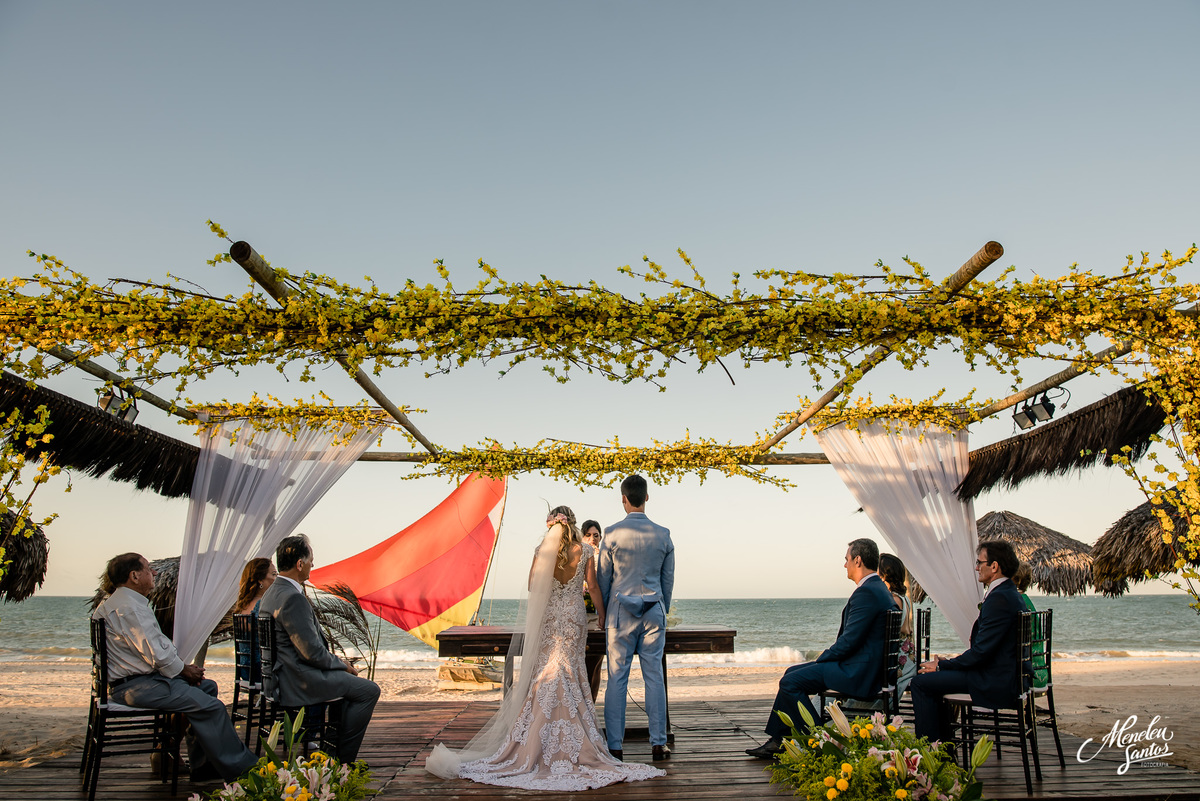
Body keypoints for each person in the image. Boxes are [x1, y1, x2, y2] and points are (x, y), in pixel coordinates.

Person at [425, 506, 664, 790]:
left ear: (551, 525)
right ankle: (578, 743)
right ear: (572, 524)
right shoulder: (585, 551)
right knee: (571, 671)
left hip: (550, 618)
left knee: (549, 670)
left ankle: (535, 741)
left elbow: (531, 584)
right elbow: (594, 587)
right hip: (574, 618)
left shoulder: (542, 550)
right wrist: (601, 614)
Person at [91, 553, 257, 782]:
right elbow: (156, 654)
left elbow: (155, 649)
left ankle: (203, 765)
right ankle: (244, 770)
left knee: (207, 687)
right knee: (212, 707)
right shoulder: (129, 608)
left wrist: (183, 669)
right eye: (149, 570)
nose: (154, 573)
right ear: (134, 576)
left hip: (139, 682)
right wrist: (184, 670)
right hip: (137, 687)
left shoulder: (122, 603)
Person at [745, 538, 895, 758]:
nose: (845, 565)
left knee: (790, 682)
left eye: (846, 560)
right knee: (791, 673)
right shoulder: (878, 588)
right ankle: (779, 741)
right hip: (863, 667)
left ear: (858, 560)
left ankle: (821, 744)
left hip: (858, 673)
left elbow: (849, 642)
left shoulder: (867, 592)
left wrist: (822, 659)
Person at [257, 535, 380, 763]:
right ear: (299, 564)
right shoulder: (292, 597)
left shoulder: (270, 594)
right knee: (368, 691)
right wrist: (343, 664)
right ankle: (343, 762)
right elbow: (311, 653)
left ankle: (331, 755)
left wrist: (338, 665)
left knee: (349, 688)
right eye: (311, 560)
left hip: (282, 677)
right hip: (299, 680)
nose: (313, 565)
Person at [910, 540, 1025, 742]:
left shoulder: (999, 599)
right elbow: (986, 650)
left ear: (994, 566)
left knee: (920, 683)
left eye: (980, 562)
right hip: (1001, 673)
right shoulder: (1009, 594)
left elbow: (980, 653)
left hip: (994, 679)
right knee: (933, 682)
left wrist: (942, 666)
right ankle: (943, 751)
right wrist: (948, 665)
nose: (976, 567)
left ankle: (930, 753)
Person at [598, 475, 676, 762]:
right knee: (654, 677)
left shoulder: (611, 534)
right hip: (653, 609)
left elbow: (603, 580)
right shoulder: (663, 534)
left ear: (623, 498)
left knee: (617, 678)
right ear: (647, 497)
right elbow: (668, 581)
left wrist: (604, 614)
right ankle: (658, 744)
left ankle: (615, 747)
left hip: (620, 612)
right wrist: (661, 610)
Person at [580, 518, 605, 702]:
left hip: (598, 615)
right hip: (581, 614)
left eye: (596, 535)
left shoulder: (605, 558)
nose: (592, 539)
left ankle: (592, 703)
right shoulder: (578, 557)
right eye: (588, 535)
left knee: (596, 664)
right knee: (583, 665)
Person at [1012, 561, 1048, 688]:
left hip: (1026, 676)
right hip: (1041, 672)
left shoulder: (1016, 603)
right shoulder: (1027, 602)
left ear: (1014, 578)